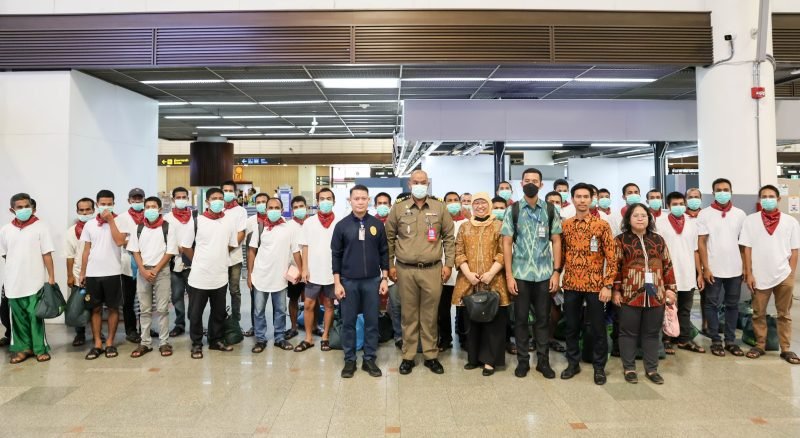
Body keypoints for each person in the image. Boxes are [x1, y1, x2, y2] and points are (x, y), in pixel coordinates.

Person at [386, 170, 455, 375]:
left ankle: (430, 355)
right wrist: (390, 264)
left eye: (423, 182)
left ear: (428, 184)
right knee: (408, 315)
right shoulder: (398, 208)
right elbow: (389, 238)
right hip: (405, 270)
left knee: (430, 315)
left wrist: (448, 264)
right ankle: (408, 356)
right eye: (415, 182)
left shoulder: (439, 207)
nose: (419, 185)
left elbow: (449, 238)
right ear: (409, 184)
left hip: (433, 269)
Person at [501, 169, 563, 379]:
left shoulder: (551, 210)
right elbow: (507, 243)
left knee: (543, 320)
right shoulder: (513, 210)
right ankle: (523, 362)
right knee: (519, 320)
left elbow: (556, 240)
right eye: (527, 181)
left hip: (545, 274)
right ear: (521, 183)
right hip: (520, 274)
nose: (530, 184)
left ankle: (543, 362)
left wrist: (556, 272)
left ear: (541, 185)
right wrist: (509, 275)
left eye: (534, 181)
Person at [613, 203, 676, 384]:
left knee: (651, 333)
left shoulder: (658, 240)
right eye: (636, 215)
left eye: (644, 215)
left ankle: (651, 369)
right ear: (628, 219)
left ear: (649, 219)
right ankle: (629, 368)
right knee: (628, 333)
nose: (640, 218)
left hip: (656, 295)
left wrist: (671, 288)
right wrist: (615, 291)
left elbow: (668, 265)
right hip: (629, 294)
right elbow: (615, 267)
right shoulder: (620, 240)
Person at [560, 182, 617, 385]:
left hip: (595, 286)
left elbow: (612, 257)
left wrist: (607, 285)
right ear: (573, 199)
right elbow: (561, 255)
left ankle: (599, 367)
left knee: (598, 328)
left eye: (586, 197)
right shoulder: (565, 225)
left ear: (592, 200)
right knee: (571, 326)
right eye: (578, 197)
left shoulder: (601, 225)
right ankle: (572, 363)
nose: (582, 200)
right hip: (571, 284)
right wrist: (557, 275)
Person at [332, 185, 389, 378]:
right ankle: (349, 360)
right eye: (356, 198)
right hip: (348, 282)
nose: (360, 201)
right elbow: (336, 256)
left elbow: (384, 252)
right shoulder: (342, 226)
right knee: (348, 322)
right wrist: (337, 282)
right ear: (350, 201)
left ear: (369, 200)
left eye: (364, 198)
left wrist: (384, 278)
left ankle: (369, 359)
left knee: (372, 322)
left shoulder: (377, 225)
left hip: (372, 281)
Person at [741, 185, 800, 365]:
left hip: (784, 274)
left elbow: (795, 250)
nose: (768, 199)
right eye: (764, 196)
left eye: (771, 196)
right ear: (759, 200)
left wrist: (791, 273)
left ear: (778, 199)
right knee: (758, 313)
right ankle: (760, 345)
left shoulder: (790, 222)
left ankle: (786, 349)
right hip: (759, 275)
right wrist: (748, 272)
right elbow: (747, 248)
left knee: (784, 314)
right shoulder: (751, 221)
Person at [453, 192, 509, 376]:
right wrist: (468, 274)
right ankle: (473, 358)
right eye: (476, 203)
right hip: (470, 281)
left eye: (483, 203)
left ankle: (490, 361)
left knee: (493, 322)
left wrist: (491, 273)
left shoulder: (499, 226)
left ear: (489, 205)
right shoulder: (465, 227)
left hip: (494, 280)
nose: (479, 206)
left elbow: (503, 252)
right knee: (473, 320)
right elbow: (458, 251)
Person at [181, 188, 238, 359]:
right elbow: (185, 246)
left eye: (221, 198)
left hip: (220, 276)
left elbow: (232, 243)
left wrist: (218, 255)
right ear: (207, 201)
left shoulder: (229, 221)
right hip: (199, 276)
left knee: (218, 311)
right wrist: (198, 259)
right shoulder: (197, 220)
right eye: (214, 198)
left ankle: (216, 340)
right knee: (196, 313)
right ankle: (197, 343)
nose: (218, 201)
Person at [0, 193, 55, 364]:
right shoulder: (6, 230)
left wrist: (51, 276)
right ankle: (24, 349)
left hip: (35, 282)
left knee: (35, 316)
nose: (24, 210)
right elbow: (6, 255)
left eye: (26, 206)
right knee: (17, 319)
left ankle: (40, 349)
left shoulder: (41, 227)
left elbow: (46, 253)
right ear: (12, 209)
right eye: (19, 207)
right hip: (13, 283)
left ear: (32, 207)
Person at [697, 178, 746, 357]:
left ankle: (731, 341)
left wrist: (746, 268)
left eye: (726, 189)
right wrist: (705, 268)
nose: (722, 192)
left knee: (732, 305)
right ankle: (716, 341)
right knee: (711, 304)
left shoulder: (740, 214)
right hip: (714, 269)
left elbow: (744, 244)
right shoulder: (705, 214)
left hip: (735, 268)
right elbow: (701, 242)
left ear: (731, 191)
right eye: (719, 190)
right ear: (713, 192)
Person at [247, 196, 301, 353]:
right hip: (260, 276)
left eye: (276, 208)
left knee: (280, 310)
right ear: (266, 210)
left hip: (280, 277)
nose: (273, 211)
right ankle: (260, 339)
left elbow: (296, 251)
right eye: (270, 208)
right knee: (258, 310)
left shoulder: (289, 227)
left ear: (282, 210)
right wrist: (250, 274)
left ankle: (279, 338)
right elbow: (251, 251)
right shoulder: (260, 226)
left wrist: (302, 269)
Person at [127, 196, 179, 358]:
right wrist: (142, 269)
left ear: (159, 209)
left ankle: (164, 342)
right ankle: (145, 343)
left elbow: (170, 251)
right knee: (144, 310)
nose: (150, 210)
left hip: (161, 271)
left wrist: (155, 270)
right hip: (143, 271)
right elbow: (135, 250)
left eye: (153, 207)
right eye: (147, 207)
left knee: (163, 309)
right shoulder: (139, 228)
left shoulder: (167, 227)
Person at [79, 189, 127, 360]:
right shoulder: (89, 224)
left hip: (113, 272)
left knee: (113, 308)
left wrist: (111, 221)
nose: (106, 207)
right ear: (97, 204)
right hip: (93, 273)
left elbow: (120, 241)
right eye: (103, 204)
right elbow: (86, 250)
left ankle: (110, 343)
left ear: (114, 204)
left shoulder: (121, 221)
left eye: (109, 203)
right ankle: (98, 343)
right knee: (95, 308)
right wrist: (83, 272)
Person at [656, 192, 705, 354]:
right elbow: (657, 251)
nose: (678, 207)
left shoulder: (692, 224)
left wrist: (699, 273)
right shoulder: (660, 222)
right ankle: (667, 339)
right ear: (668, 206)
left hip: (688, 273)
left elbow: (695, 250)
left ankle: (684, 339)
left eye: (681, 203)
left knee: (685, 309)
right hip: (668, 275)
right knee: (668, 309)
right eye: (674, 204)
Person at [295, 188, 340, 353]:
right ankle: (308, 338)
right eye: (322, 198)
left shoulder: (339, 222)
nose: (325, 201)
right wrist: (305, 268)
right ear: (317, 201)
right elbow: (305, 247)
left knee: (329, 304)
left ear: (334, 201)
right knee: (308, 304)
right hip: (313, 271)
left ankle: (326, 336)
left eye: (329, 198)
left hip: (332, 271)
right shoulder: (309, 222)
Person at [116, 188, 146, 344]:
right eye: (134, 199)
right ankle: (131, 330)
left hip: (146, 262)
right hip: (128, 264)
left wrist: (132, 240)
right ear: (128, 201)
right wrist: (139, 242)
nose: (137, 201)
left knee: (145, 299)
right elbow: (120, 240)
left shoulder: (149, 217)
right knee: (128, 299)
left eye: (140, 199)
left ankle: (145, 329)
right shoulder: (121, 218)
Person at [164, 187, 194, 338]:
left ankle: (194, 322)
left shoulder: (194, 217)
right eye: (178, 197)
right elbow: (163, 238)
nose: (181, 199)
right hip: (174, 262)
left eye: (184, 197)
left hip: (192, 263)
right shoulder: (167, 218)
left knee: (194, 296)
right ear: (173, 199)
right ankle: (180, 324)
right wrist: (175, 248)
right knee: (177, 296)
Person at [65, 197, 95, 347]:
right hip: (78, 274)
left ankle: (98, 333)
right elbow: (69, 255)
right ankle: (80, 334)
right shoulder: (71, 231)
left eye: (88, 209)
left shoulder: (100, 227)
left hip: (97, 274)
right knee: (78, 305)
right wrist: (70, 275)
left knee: (96, 305)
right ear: (77, 212)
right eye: (81, 210)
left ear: (93, 210)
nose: (85, 212)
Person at [439, 191, 467, 351]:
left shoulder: (467, 222)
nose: (453, 203)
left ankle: (464, 338)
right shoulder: (439, 222)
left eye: (456, 200)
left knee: (463, 308)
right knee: (443, 308)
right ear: (444, 204)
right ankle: (445, 339)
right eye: (449, 200)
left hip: (463, 271)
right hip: (444, 270)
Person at [375, 192, 402, 348]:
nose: (383, 205)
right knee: (372, 305)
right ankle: (375, 333)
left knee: (396, 305)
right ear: (375, 205)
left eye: (385, 203)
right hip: (373, 271)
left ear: (391, 205)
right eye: (380, 203)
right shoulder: (370, 222)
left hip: (393, 270)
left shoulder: (396, 223)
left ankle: (398, 335)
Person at [220, 180, 248, 326]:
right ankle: (221, 319)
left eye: (231, 190)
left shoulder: (240, 211)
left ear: (236, 193)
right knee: (219, 290)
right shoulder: (215, 210)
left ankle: (235, 320)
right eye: (225, 190)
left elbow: (241, 233)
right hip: (218, 259)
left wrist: (225, 249)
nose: (228, 193)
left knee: (234, 290)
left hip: (234, 257)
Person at [243, 194, 270, 338]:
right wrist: (249, 272)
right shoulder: (250, 222)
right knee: (256, 299)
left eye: (263, 202)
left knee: (279, 302)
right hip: (256, 265)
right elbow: (249, 250)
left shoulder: (278, 221)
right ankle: (255, 327)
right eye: (258, 202)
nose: (261, 204)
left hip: (272, 265)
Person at [284, 195, 308, 341]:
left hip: (312, 268)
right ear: (292, 210)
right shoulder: (288, 226)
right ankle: (293, 326)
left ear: (306, 207)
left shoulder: (312, 223)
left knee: (312, 298)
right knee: (293, 298)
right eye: (296, 207)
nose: (299, 209)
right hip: (294, 269)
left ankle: (314, 325)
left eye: (301, 206)